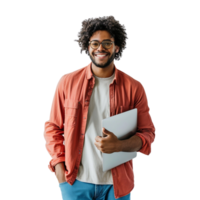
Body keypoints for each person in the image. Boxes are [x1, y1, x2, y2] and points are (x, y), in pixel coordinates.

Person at [42, 14, 157, 200]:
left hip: (118, 186)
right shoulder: (66, 82)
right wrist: (58, 166)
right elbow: (52, 127)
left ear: (117, 46)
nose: (100, 48)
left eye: (107, 43)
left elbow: (148, 134)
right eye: (94, 43)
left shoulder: (135, 87)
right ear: (87, 46)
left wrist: (120, 145)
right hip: (74, 182)